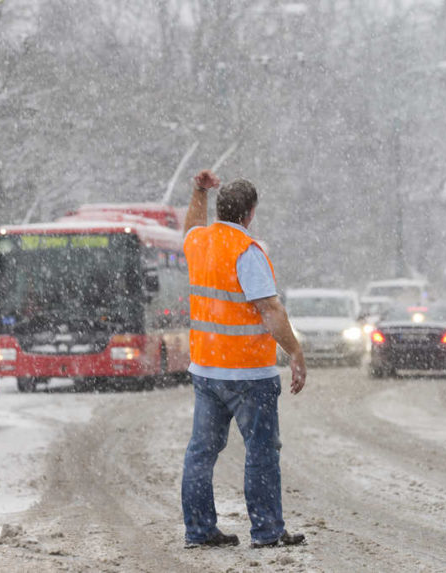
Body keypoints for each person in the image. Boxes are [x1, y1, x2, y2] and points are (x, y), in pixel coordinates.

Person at [180, 168, 307, 549]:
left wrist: (198, 192)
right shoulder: (247, 251)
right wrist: (295, 352)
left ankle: (199, 531)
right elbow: (270, 309)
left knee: (201, 454)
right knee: (262, 453)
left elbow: (190, 226)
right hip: (249, 373)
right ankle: (267, 532)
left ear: (221, 209)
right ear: (250, 213)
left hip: (206, 370)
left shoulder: (199, 242)